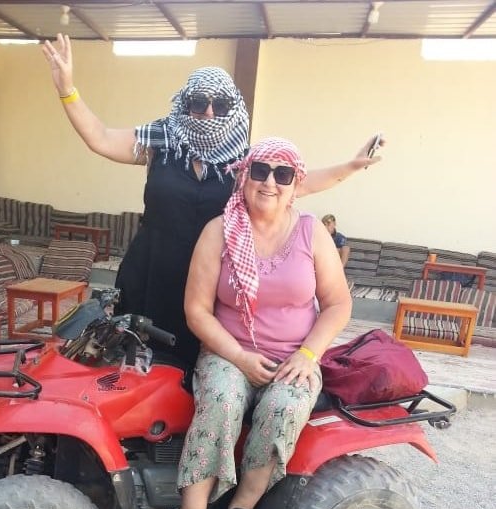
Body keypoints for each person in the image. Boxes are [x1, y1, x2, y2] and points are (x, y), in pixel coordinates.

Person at [42, 34, 379, 366]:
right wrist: (67, 89)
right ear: (185, 103)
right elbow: (100, 137)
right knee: (136, 361)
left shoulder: (243, 162)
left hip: (209, 279)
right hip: (150, 271)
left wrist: (351, 166)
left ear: (232, 109)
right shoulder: (160, 142)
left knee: (191, 367)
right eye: (198, 102)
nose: (208, 112)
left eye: (220, 105)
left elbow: (297, 183)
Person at [172, 137, 352, 509]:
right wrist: (239, 356)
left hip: (294, 357)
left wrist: (308, 354)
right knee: (222, 400)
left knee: (284, 407)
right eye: (261, 171)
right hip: (227, 353)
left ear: (295, 186)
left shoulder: (312, 232)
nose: (270, 182)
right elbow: (196, 310)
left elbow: (338, 304)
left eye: (282, 174)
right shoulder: (219, 231)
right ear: (244, 177)